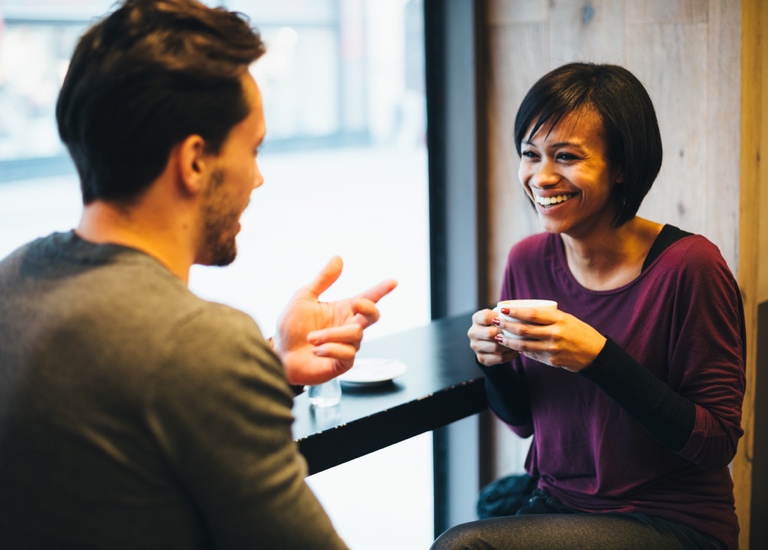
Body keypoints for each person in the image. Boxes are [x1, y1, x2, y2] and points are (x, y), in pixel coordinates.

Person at [0, 1, 397, 548]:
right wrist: (242, 365)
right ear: (194, 161)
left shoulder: (13, 279)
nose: (257, 179)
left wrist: (270, 367)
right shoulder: (200, 346)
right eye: (252, 149)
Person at [432, 63, 745, 549]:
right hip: (558, 503)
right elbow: (522, 425)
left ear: (623, 166)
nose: (542, 176)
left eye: (566, 156)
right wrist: (493, 363)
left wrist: (598, 357)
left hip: (671, 521)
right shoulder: (528, 259)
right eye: (530, 154)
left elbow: (716, 442)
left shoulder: (690, 267)